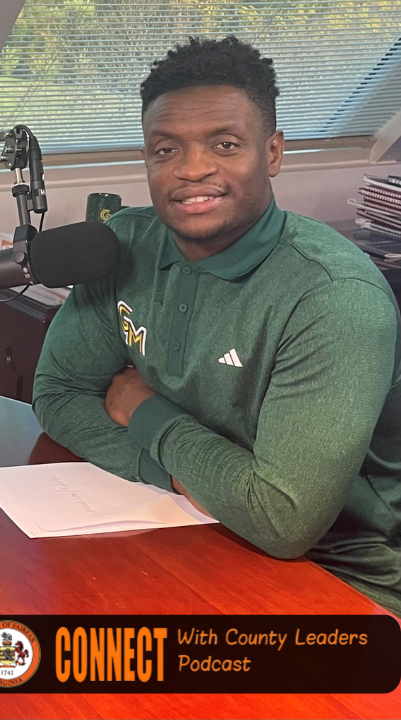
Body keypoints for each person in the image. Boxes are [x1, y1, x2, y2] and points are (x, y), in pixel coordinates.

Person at [34, 37, 401, 611]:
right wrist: (181, 477)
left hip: (344, 579)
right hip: (191, 524)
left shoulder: (333, 297)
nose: (193, 170)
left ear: (273, 152)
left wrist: (142, 408)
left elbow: (282, 520)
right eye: (165, 150)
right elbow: (58, 394)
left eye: (225, 144)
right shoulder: (126, 243)